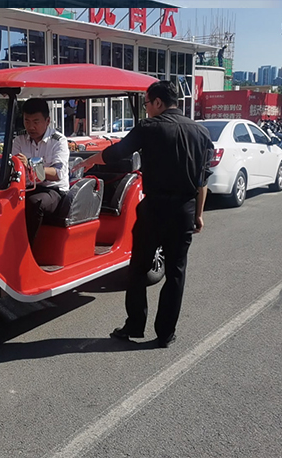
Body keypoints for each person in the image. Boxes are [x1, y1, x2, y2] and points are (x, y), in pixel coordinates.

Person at [76, 80, 213, 348]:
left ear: (158, 102)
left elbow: (117, 153)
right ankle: (166, 333)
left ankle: (134, 325)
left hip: (154, 208)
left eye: (147, 103)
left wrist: (91, 160)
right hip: (184, 209)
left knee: (138, 268)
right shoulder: (201, 131)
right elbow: (202, 180)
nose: (146, 108)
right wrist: (198, 214)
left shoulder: (149, 127)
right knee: (176, 272)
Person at [12, 98, 70, 245]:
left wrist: (30, 165)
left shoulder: (58, 141)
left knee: (34, 203)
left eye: (36, 122)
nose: (31, 127)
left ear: (47, 121)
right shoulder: (19, 140)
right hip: (26, 188)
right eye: (27, 121)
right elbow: (13, 166)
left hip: (53, 190)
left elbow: (57, 173)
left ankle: (26, 249)